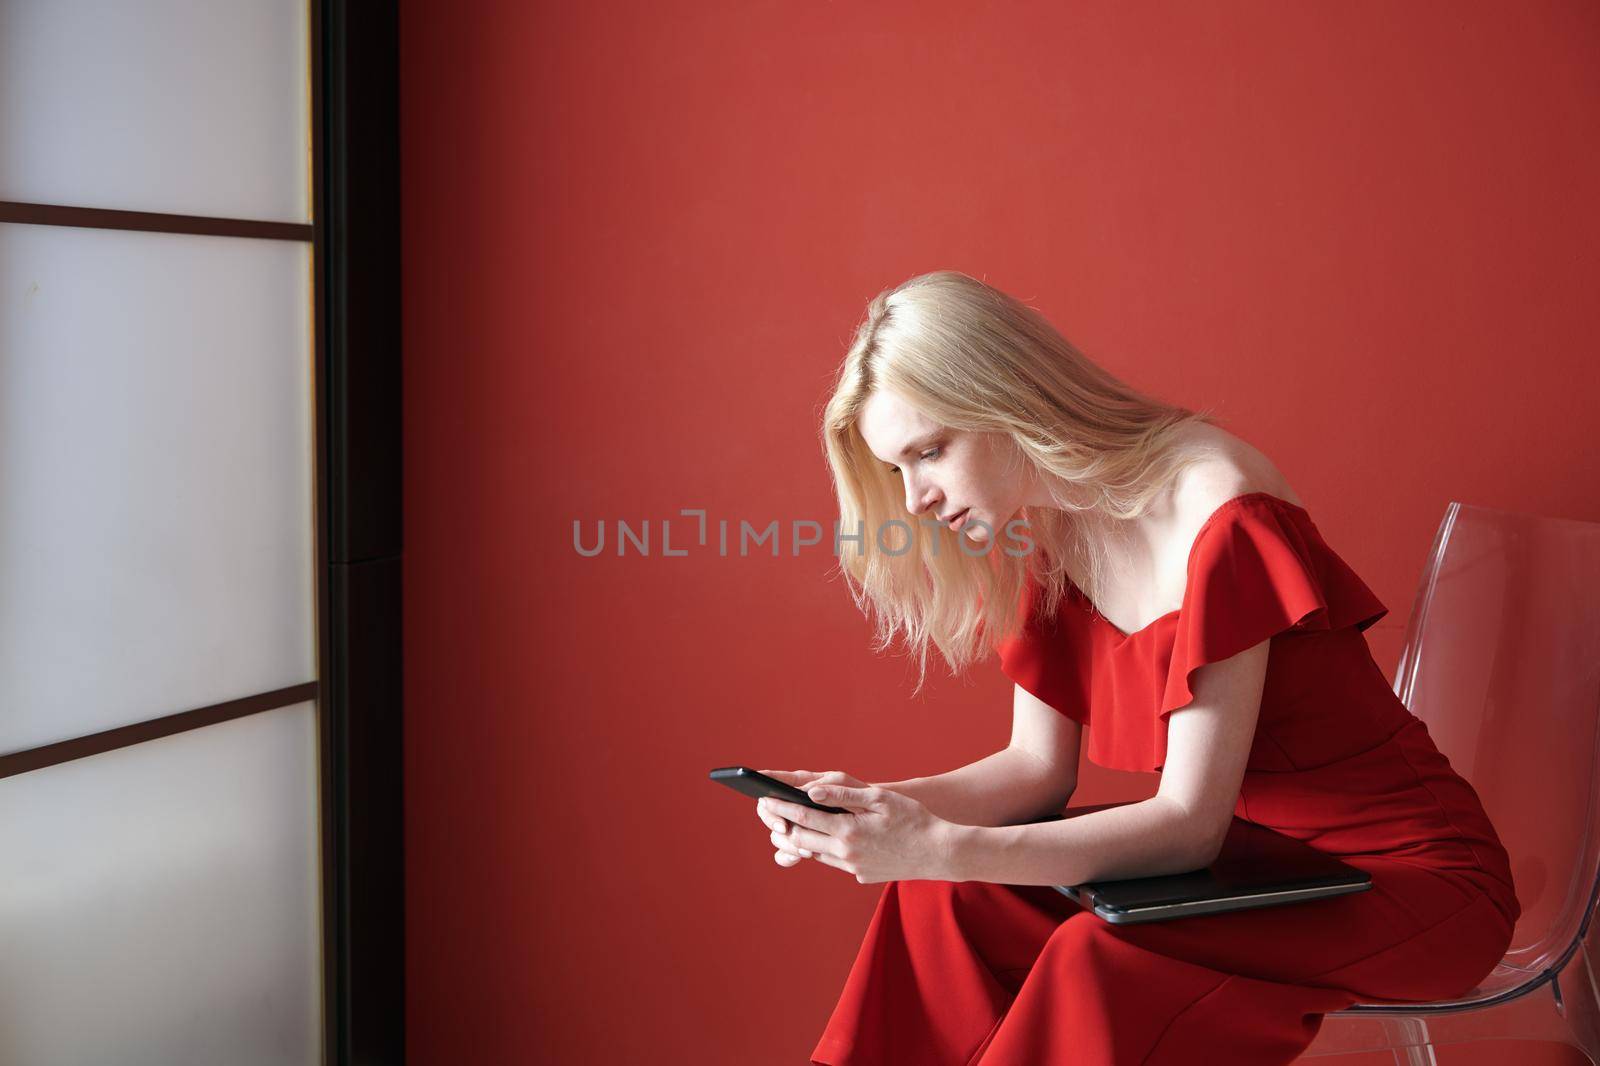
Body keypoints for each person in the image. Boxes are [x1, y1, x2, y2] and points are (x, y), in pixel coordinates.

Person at [752, 270, 1519, 1065]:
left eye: (930, 451)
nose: (913, 498)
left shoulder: (1216, 505)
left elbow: (1189, 823)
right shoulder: (1046, 533)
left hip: (1410, 883)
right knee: (942, 897)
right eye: (896, 469)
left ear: (1008, 399)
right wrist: (867, 810)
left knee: (1092, 956)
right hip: (1256, 870)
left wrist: (937, 842)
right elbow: (1033, 772)